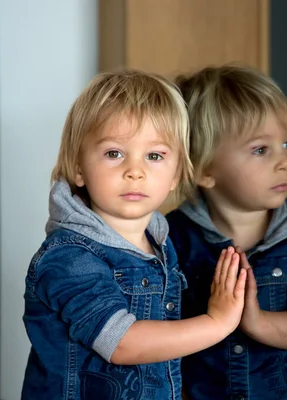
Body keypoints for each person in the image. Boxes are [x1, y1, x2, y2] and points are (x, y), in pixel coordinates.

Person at [21, 70, 247, 400]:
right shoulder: (70, 256)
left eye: (154, 156)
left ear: (176, 175)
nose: (135, 170)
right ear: (79, 168)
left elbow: (160, 359)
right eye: (114, 153)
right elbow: (123, 343)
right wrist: (217, 322)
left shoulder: (160, 245)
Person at [167, 65, 287, 400]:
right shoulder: (170, 240)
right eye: (261, 149)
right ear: (204, 169)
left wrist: (257, 322)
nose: (284, 161)